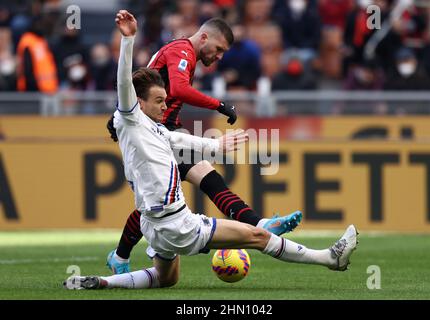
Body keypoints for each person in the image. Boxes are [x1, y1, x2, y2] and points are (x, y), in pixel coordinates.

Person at [64, 10, 358, 289]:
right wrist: (128, 40)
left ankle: (106, 277)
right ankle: (327, 257)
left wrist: (216, 145)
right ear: (138, 103)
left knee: (167, 278)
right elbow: (128, 85)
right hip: (177, 224)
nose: (165, 105)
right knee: (256, 236)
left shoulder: (152, 128)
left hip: (154, 226)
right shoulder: (138, 108)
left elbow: (177, 140)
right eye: (159, 101)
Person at [106, 13, 302, 274]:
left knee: (198, 184)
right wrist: (220, 105)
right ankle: (259, 224)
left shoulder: (184, 53)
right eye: (218, 49)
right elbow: (178, 89)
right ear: (204, 37)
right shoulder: (182, 50)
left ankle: (260, 223)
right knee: (161, 201)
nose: (219, 57)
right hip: (150, 134)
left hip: (162, 131)